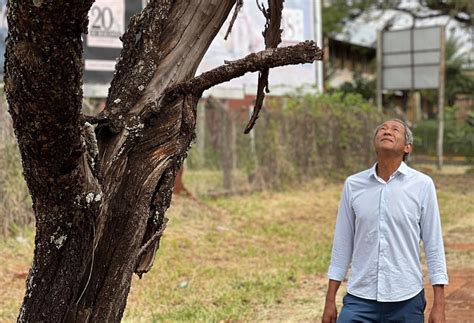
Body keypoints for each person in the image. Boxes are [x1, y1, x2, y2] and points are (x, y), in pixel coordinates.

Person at [322, 119, 448, 323]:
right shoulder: (354, 185)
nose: (387, 131)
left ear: (407, 147)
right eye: (382, 129)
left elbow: (434, 246)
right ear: (374, 143)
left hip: (407, 299)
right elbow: (342, 245)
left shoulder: (423, 185)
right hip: (359, 299)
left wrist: (439, 305)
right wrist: (329, 301)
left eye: (395, 129)